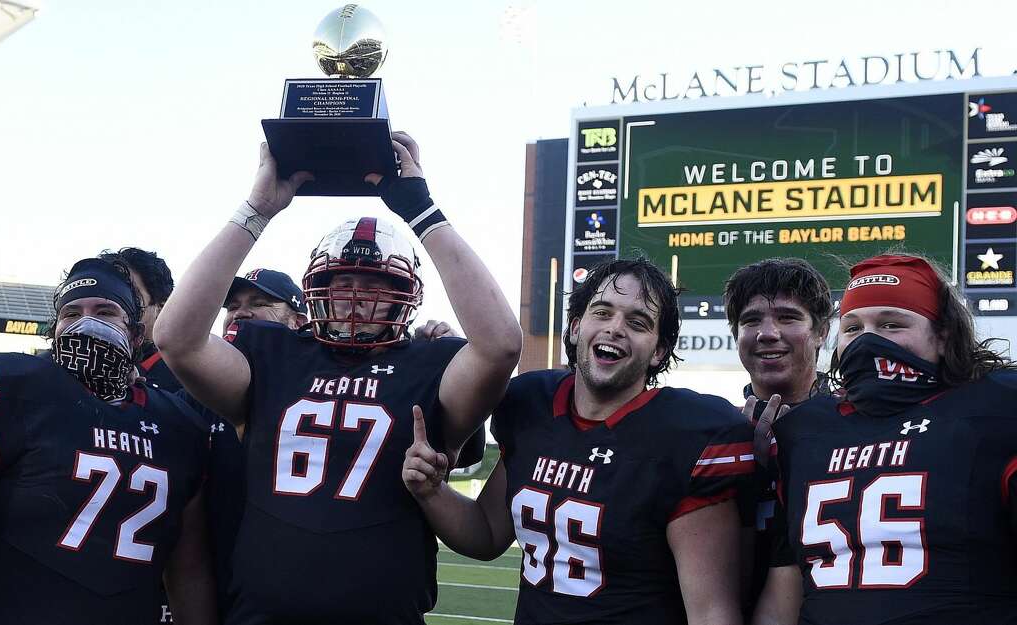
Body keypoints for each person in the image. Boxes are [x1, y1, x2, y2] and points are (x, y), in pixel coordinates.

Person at [154, 132, 522, 624]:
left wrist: (420, 209)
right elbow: (176, 338)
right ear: (315, 290)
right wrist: (256, 210)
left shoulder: (429, 362)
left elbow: (500, 343)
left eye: (375, 284)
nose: (356, 296)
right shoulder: (274, 352)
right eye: (341, 281)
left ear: (404, 296)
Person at [404, 257, 754, 625]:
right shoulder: (531, 405)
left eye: (637, 323)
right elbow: (488, 533)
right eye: (602, 313)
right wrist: (431, 491)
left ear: (659, 350)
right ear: (575, 327)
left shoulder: (686, 435)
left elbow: (711, 612)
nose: (615, 329)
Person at [0, 258, 214, 625]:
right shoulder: (16, 388)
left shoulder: (178, 424)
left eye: (105, 311)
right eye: (71, 313)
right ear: (54, 329)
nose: (87, 322)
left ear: (135, 334)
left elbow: (188, 569)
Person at [758, 254, 1017, 624]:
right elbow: (786, 587)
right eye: (852, 327)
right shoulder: (802, 433)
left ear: (943, 335)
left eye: (891, 324)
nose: (867, 341)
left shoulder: (996, 411)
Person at [723, 258, 834, 619]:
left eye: (788, 318)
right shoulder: (715, 435)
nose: (767, 333)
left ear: (821, 332)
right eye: (751, 320)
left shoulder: (859, 429)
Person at [99, 248, 181, 393]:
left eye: (130, 294)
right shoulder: (68, 366)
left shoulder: (185, 378)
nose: (114, 302)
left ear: (161, 307)